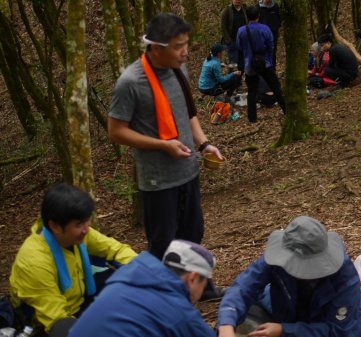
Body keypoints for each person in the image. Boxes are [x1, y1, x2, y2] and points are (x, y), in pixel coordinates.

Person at [108, 13, 223, 259]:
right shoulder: (130, 82)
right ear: (156, 48)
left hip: (188, 171)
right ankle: (164, 295)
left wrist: (204, 144)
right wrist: (162, 145)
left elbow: (189, 113)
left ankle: (198, 288)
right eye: (178, 47)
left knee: (193, 235)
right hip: (158, 182)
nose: (185, 52)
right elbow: (116, 130)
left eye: (186, 44)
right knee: (163, 246)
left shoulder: (178, 69)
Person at [9, 184, 137, 336]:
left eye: (87, 221)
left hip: (80, 300)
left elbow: (116, 250)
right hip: (46, 324)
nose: (86, 229)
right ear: (55, 226)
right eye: (79, 224)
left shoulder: (80, 233)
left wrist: (147, 271)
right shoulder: (34, 261)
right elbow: (56, 319)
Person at [217, 216, 361, 337]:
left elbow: (337, 330)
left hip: (336, 329)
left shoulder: (343, 276)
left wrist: (284, 330)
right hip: (288, 313)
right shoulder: (277, 258)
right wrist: (226, 324)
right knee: (244, 311)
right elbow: (245, 286)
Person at [68, 240, 217, 337]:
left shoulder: (125, 280)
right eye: (204, 284)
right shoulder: (178, 313)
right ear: (192, 278)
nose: (203, 291)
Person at [236, 5, 285, 123]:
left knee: (252, 91)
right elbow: (271, 46)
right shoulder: (265, 29)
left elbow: (239, 47)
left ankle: (252, 118)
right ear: (258, 15)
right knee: (276, 87)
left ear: (247, 16)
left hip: (249, 65)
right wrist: (267, 57)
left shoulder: (241, 31)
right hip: (265, 63)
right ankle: (286, 110)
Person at [221, 0, 247, 65]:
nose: (238, 1)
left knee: (243, 64)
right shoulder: (227, 10)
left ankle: (239, 74)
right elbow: (223, 27)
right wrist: (229, 41)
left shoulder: (245, 9)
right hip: (233, 42)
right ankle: (232, 75)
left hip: (243, 41)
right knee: (233, 65)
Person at [258, 0, 281, 69]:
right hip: (261, 36)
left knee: (272, 54)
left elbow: (279, 19)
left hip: (273, 35)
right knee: (261, 54)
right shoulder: (258, 7)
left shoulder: (275, 6)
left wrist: (275, 27)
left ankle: (272, 71)